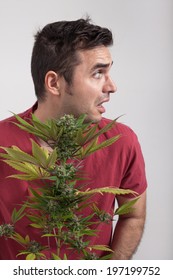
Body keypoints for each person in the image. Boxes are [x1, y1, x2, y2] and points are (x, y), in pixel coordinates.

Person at [0, 17, 147, 260]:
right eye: (98, 73)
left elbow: (133, 215)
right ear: (54, 83)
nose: (112, 86)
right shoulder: (3, 142)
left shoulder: (122, 142)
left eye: (109, 72)